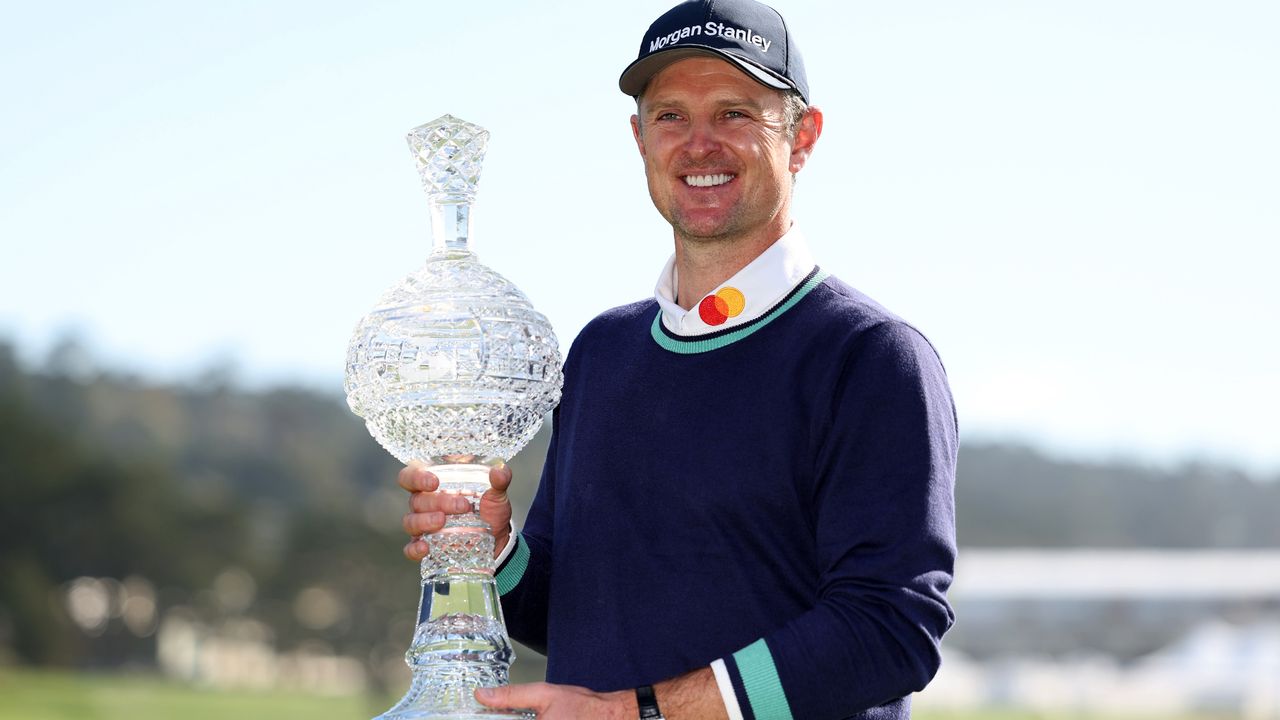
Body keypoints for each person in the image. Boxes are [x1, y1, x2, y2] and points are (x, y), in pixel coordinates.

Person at [399, 1, 958, 717]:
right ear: (638, 137)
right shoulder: (602, 352)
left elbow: (890, 630)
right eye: (670, 116)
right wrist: (493, 548)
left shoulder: (871, 357)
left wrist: (642, 713)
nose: (699, 145)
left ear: (803, 137)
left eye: (734, 113)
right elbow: (568, 618)